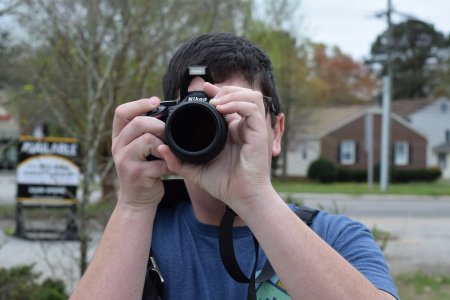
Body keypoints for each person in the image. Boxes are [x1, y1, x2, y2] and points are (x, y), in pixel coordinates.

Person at [70, 32, 399, 299]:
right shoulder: (139, 234)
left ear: (276, 131)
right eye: (199, 117)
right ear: (165, 125)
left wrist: (254, 195)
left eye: (235, 114)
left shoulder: (336, 238)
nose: (216, 131)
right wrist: (133, 205)